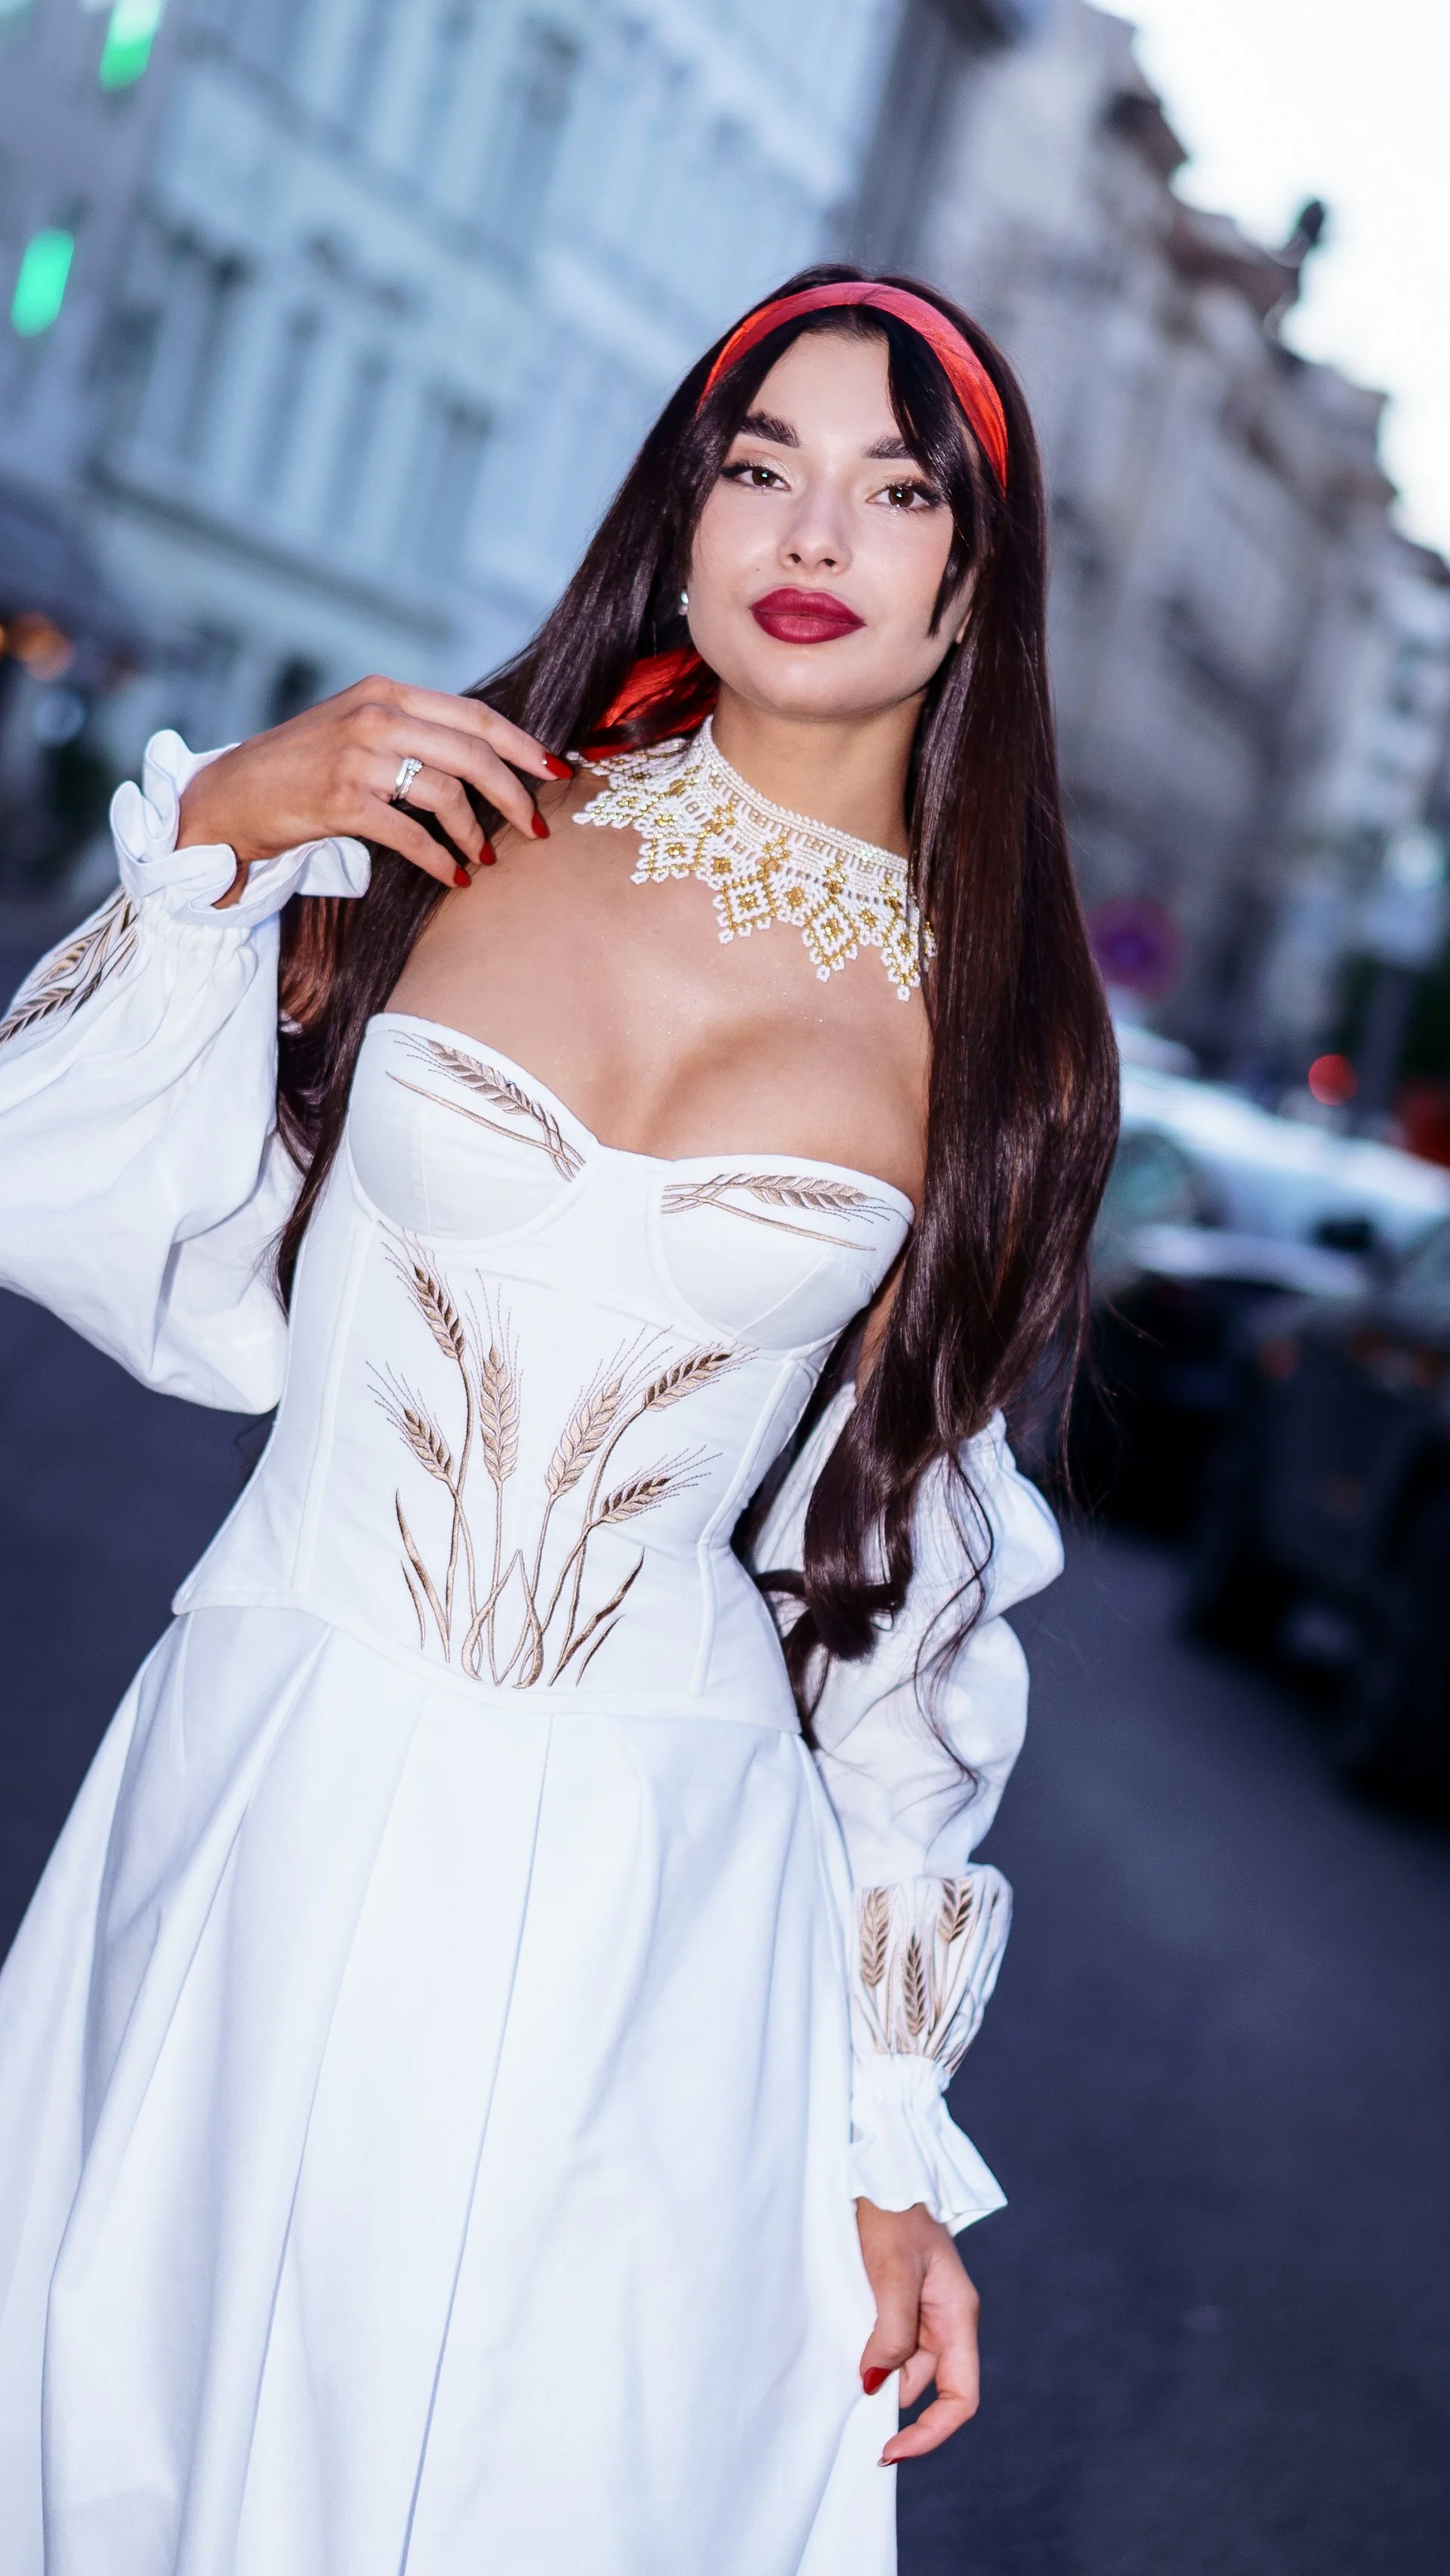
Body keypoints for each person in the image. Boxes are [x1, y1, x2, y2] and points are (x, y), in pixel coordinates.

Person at [0, 266, 1116, 2573]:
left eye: (898, 488)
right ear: (683, 511)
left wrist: (888, 2143)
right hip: (270, 1791)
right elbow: (63, 1187)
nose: (816, 525)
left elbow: (897, 1608)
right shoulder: (442, 827)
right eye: (761, 462)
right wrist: (220, 827)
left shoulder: (995, 1043)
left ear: (976, 575)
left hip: (657, 1894)